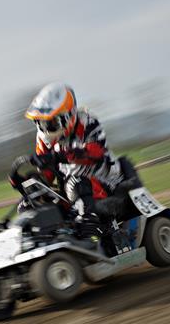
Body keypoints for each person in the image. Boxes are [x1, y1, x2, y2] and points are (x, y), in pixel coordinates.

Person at [20, 82, 134, 242]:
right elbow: (47, 175)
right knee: (31, 198)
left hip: (106, 182)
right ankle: (38, 240)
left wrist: (59, 156)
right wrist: (35, 181)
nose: (46, 130)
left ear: (68, 116)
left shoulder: (87, 122)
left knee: (76, 184)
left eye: (50, 124)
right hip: (70, 189)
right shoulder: (44, 137)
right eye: (40, 123)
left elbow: (96, 152)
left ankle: (90, 231)